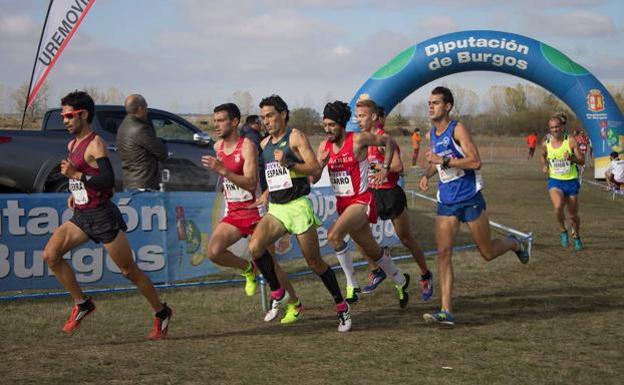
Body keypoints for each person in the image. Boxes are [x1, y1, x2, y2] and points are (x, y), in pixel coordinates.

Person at [42, 91, 172, 340]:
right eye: (63, 116)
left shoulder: (95, 143)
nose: (65, 121)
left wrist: (77, 177)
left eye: (69, 116)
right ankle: (82, 304)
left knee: (128, 271)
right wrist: (76, 191)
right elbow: (91, 181)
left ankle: (161, 311)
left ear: (83, 114)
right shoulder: (72, 144)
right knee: (51, 255)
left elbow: (108, 180)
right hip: (82, 214)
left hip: (102, 217)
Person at [419, 86, 530, 326]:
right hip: (447, 200)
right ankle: (446, 310)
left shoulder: (458, 129)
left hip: (469, 197)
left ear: (447, 106)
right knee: (443, 253)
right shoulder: (431, 134)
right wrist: (428, 173)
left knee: (487, 252)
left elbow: (476, 162)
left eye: (436, 103)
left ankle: (513, 242)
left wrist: (444, 160)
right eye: (429, 103)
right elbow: (438, 162)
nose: (431, 106)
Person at [247, 95, 352, 332]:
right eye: (263, 117)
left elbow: (314, 169)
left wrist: (290, 163)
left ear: (283, 114)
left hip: (298, 206)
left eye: (270, 115)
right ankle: (278, 294)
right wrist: (265, 194)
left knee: (314, 262)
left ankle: (341, 306)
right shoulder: (264, 145)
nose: (266, 121)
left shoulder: (295, 137)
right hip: (277, 208)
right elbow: (272, 178)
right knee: (255, 248)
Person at [201, 103, 300, 324]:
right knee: (214, 251)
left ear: (235, 121)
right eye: (214, 120)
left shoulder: (247, 147)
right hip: (234, 212)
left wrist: (223, 170)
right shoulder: (218, 147)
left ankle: (294, 302)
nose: (216, 125)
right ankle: (247, 269)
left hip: (256, 212)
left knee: (272, 265)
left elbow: (251, 182)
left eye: (221, 120)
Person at [311, 101, 412, 309]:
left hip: (361, 201)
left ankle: (352, 284)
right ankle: (401, 281)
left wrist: (385, 168)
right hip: (343, 204)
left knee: (333, 236)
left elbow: (389, 142)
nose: (328, 129)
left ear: (342, 124)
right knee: (373, 250)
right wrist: (320, 164)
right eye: (325, 125)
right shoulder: (324, 146)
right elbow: (313, 179)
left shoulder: (358, 140)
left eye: (332, 125)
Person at [353, 99, 433, 304]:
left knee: (406, 239)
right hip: (372, 194)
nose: (358, 120)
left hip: (390, 194)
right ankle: (376, 270)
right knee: (356, 232)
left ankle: (425, 275)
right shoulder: (363, 140)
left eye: (362, 116)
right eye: (357, 116)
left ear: (373, 117)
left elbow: (399, 166)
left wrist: (383, 168)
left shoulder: (384, 138)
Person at [541, 113, 585, 250]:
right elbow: (543, 156)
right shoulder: (546, 143)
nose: (555, 130)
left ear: (562, 127)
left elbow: (582, 161)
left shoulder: (570, 141)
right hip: (555, 181)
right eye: (552, 128)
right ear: (550, 129)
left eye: (557, 127)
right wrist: (545, 165)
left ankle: (576, 236)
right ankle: (563, 231)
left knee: (573, 215)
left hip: (571, 181)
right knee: (558, 206)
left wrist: (571, 158)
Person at [117, 94, 168, 191]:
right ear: (141, 108)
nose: (147, 110)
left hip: (130, 182)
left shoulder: (124, 125)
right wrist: (161, 142)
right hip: (143, 185)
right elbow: (162, 152)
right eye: (146, 107)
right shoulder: (140, 129)